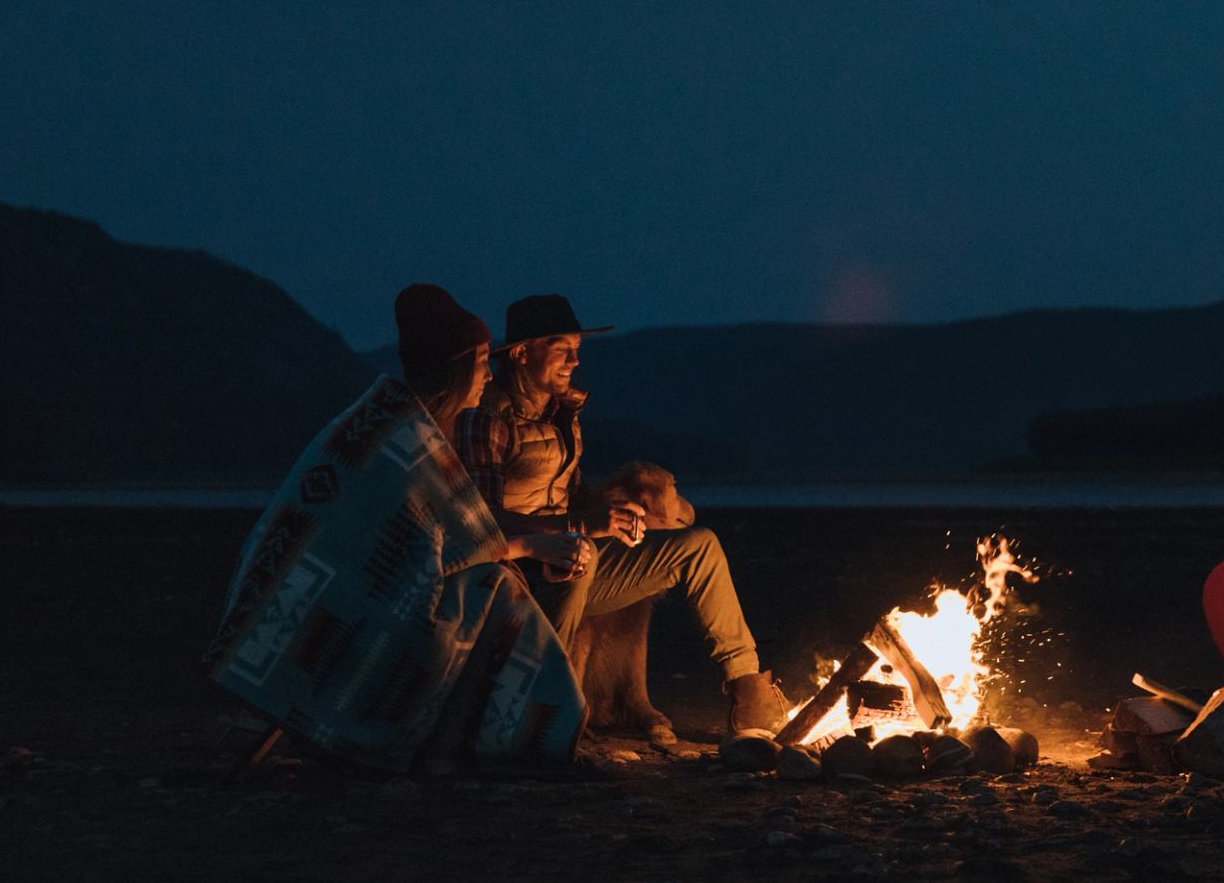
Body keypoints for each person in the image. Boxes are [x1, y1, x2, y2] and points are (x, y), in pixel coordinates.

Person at [205, 284, 597, 773]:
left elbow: (439, 539)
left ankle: (499, 732)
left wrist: (529, 544)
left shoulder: (407, 424)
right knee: (494, 595)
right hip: (338, 599)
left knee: (494, 584)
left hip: (335, 589)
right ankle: (506, 735)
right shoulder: (401, 437)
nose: (488, 375)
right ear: (455, 369)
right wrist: (532, 544)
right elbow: (420, 552)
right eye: (481, 363)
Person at [454, 292, 788, 737]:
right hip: (517, 570)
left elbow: (570, 498)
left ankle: (748, 692)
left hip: (572, 556)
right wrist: (579, 527)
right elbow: (481, 521)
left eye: (577, 348)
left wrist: (613, 514)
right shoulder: (486, 419)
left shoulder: (562, 415)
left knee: (700, 546)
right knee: (580, 553)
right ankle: (548, 705)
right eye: (561, 348)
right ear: (521, 353)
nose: (574, 360)